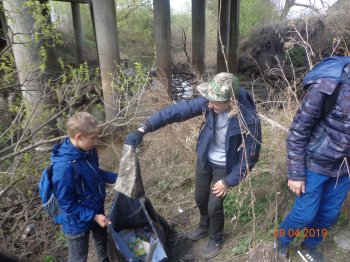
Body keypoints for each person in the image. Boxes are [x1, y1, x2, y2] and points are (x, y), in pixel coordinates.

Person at [125, 72, 261, 259]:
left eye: (215, 102)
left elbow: (250, 157)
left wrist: (229, 181)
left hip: (225, 166)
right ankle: (204, 226)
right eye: (209, 100)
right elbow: (176, 112)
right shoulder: (210, 102)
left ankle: (215, 238)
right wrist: (144, 128)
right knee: (200, 197)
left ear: (231, 101)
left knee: (214, 206)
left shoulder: (249, 119)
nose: (209, 105)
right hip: (205, 158)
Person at [276, 58, 350, 262]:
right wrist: (296, 173)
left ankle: (308, 246)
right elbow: (298, 131)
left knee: (329, 215)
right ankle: (280, 241)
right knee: (304, 215)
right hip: (315, 164)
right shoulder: (327, 85)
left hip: (344, 169)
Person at [50, 112, 117, 262]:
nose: (96, 141)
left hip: (96, 208)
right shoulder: (63, 168)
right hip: (76, 222)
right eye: (93, 138)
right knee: (78, 258)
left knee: (102, 244)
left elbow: (94, 173)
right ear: (79, 136)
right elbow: (67, 205)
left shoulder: (88, 150)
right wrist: (93, 216)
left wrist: (117, 179)